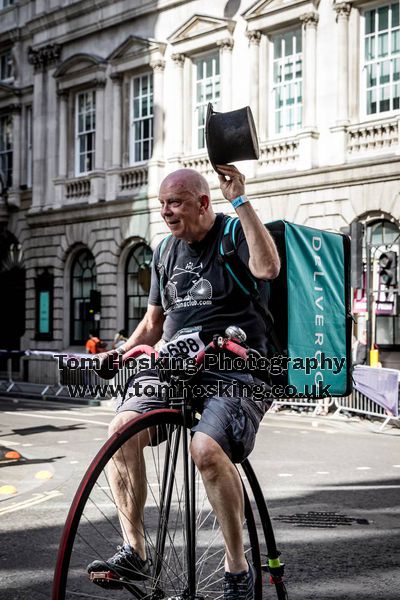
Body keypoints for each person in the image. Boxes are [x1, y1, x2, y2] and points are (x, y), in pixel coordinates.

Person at [87, 164, 281, 599]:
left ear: (203, 203)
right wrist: (120, 353)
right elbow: (154, 323)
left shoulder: (232, 235)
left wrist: (241, 199)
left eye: (174, 202)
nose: (166, 212)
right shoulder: (163, 252)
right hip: (175, 366)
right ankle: (135, 553)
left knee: (206, 449)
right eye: (161, 204)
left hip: (236, 367)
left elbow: (268, 268)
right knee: (120, 433)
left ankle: (237, 569)